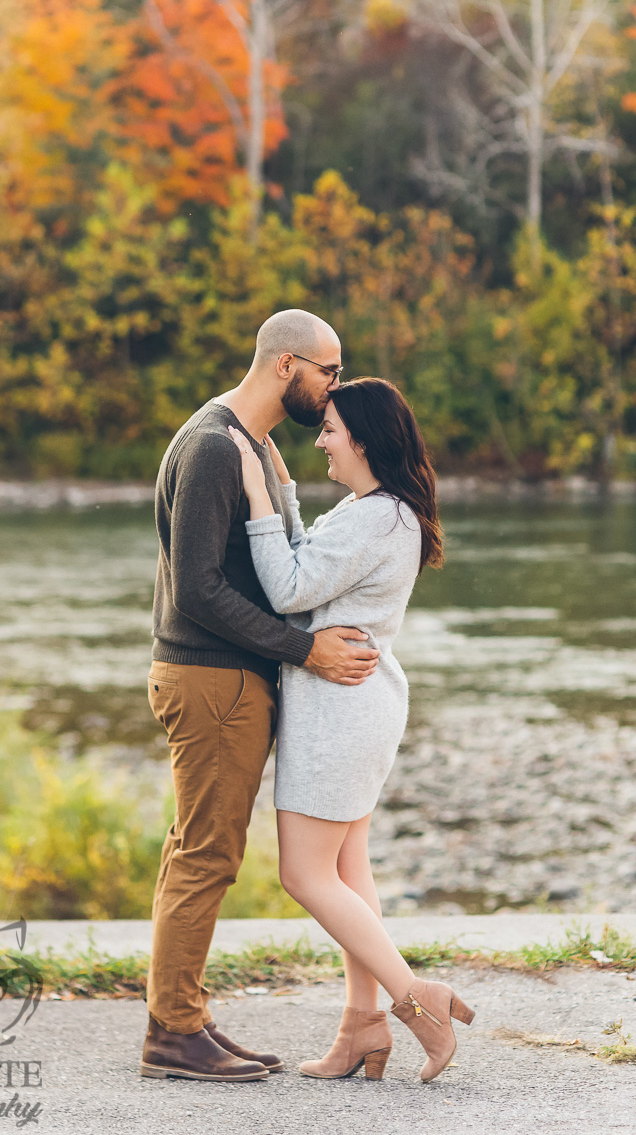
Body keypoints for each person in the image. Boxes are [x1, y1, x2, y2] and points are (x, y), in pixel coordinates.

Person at [141, 310, 381, 1083]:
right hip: (212, 678)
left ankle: (184, 1015)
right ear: (286, 365)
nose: (334, 386)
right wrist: (305, 650)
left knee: (197, 848)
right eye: (329, 371)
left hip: (229, 678)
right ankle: (173, 1033)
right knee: (206, 853)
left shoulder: (252, 445)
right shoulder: (215, 447)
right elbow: (199, 590)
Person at [228, 377, 476, 1084]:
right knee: (346, 869)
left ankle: (413, 998)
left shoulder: (379, 518)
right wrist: (289, 496)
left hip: (341, 710)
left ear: (363, 438)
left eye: (330, 428)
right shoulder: (376, 509)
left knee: (304, 873)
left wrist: (256, 499)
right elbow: (313, 565)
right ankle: (360, 1025)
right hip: (354, 704)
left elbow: (288, 589)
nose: (320, 440)